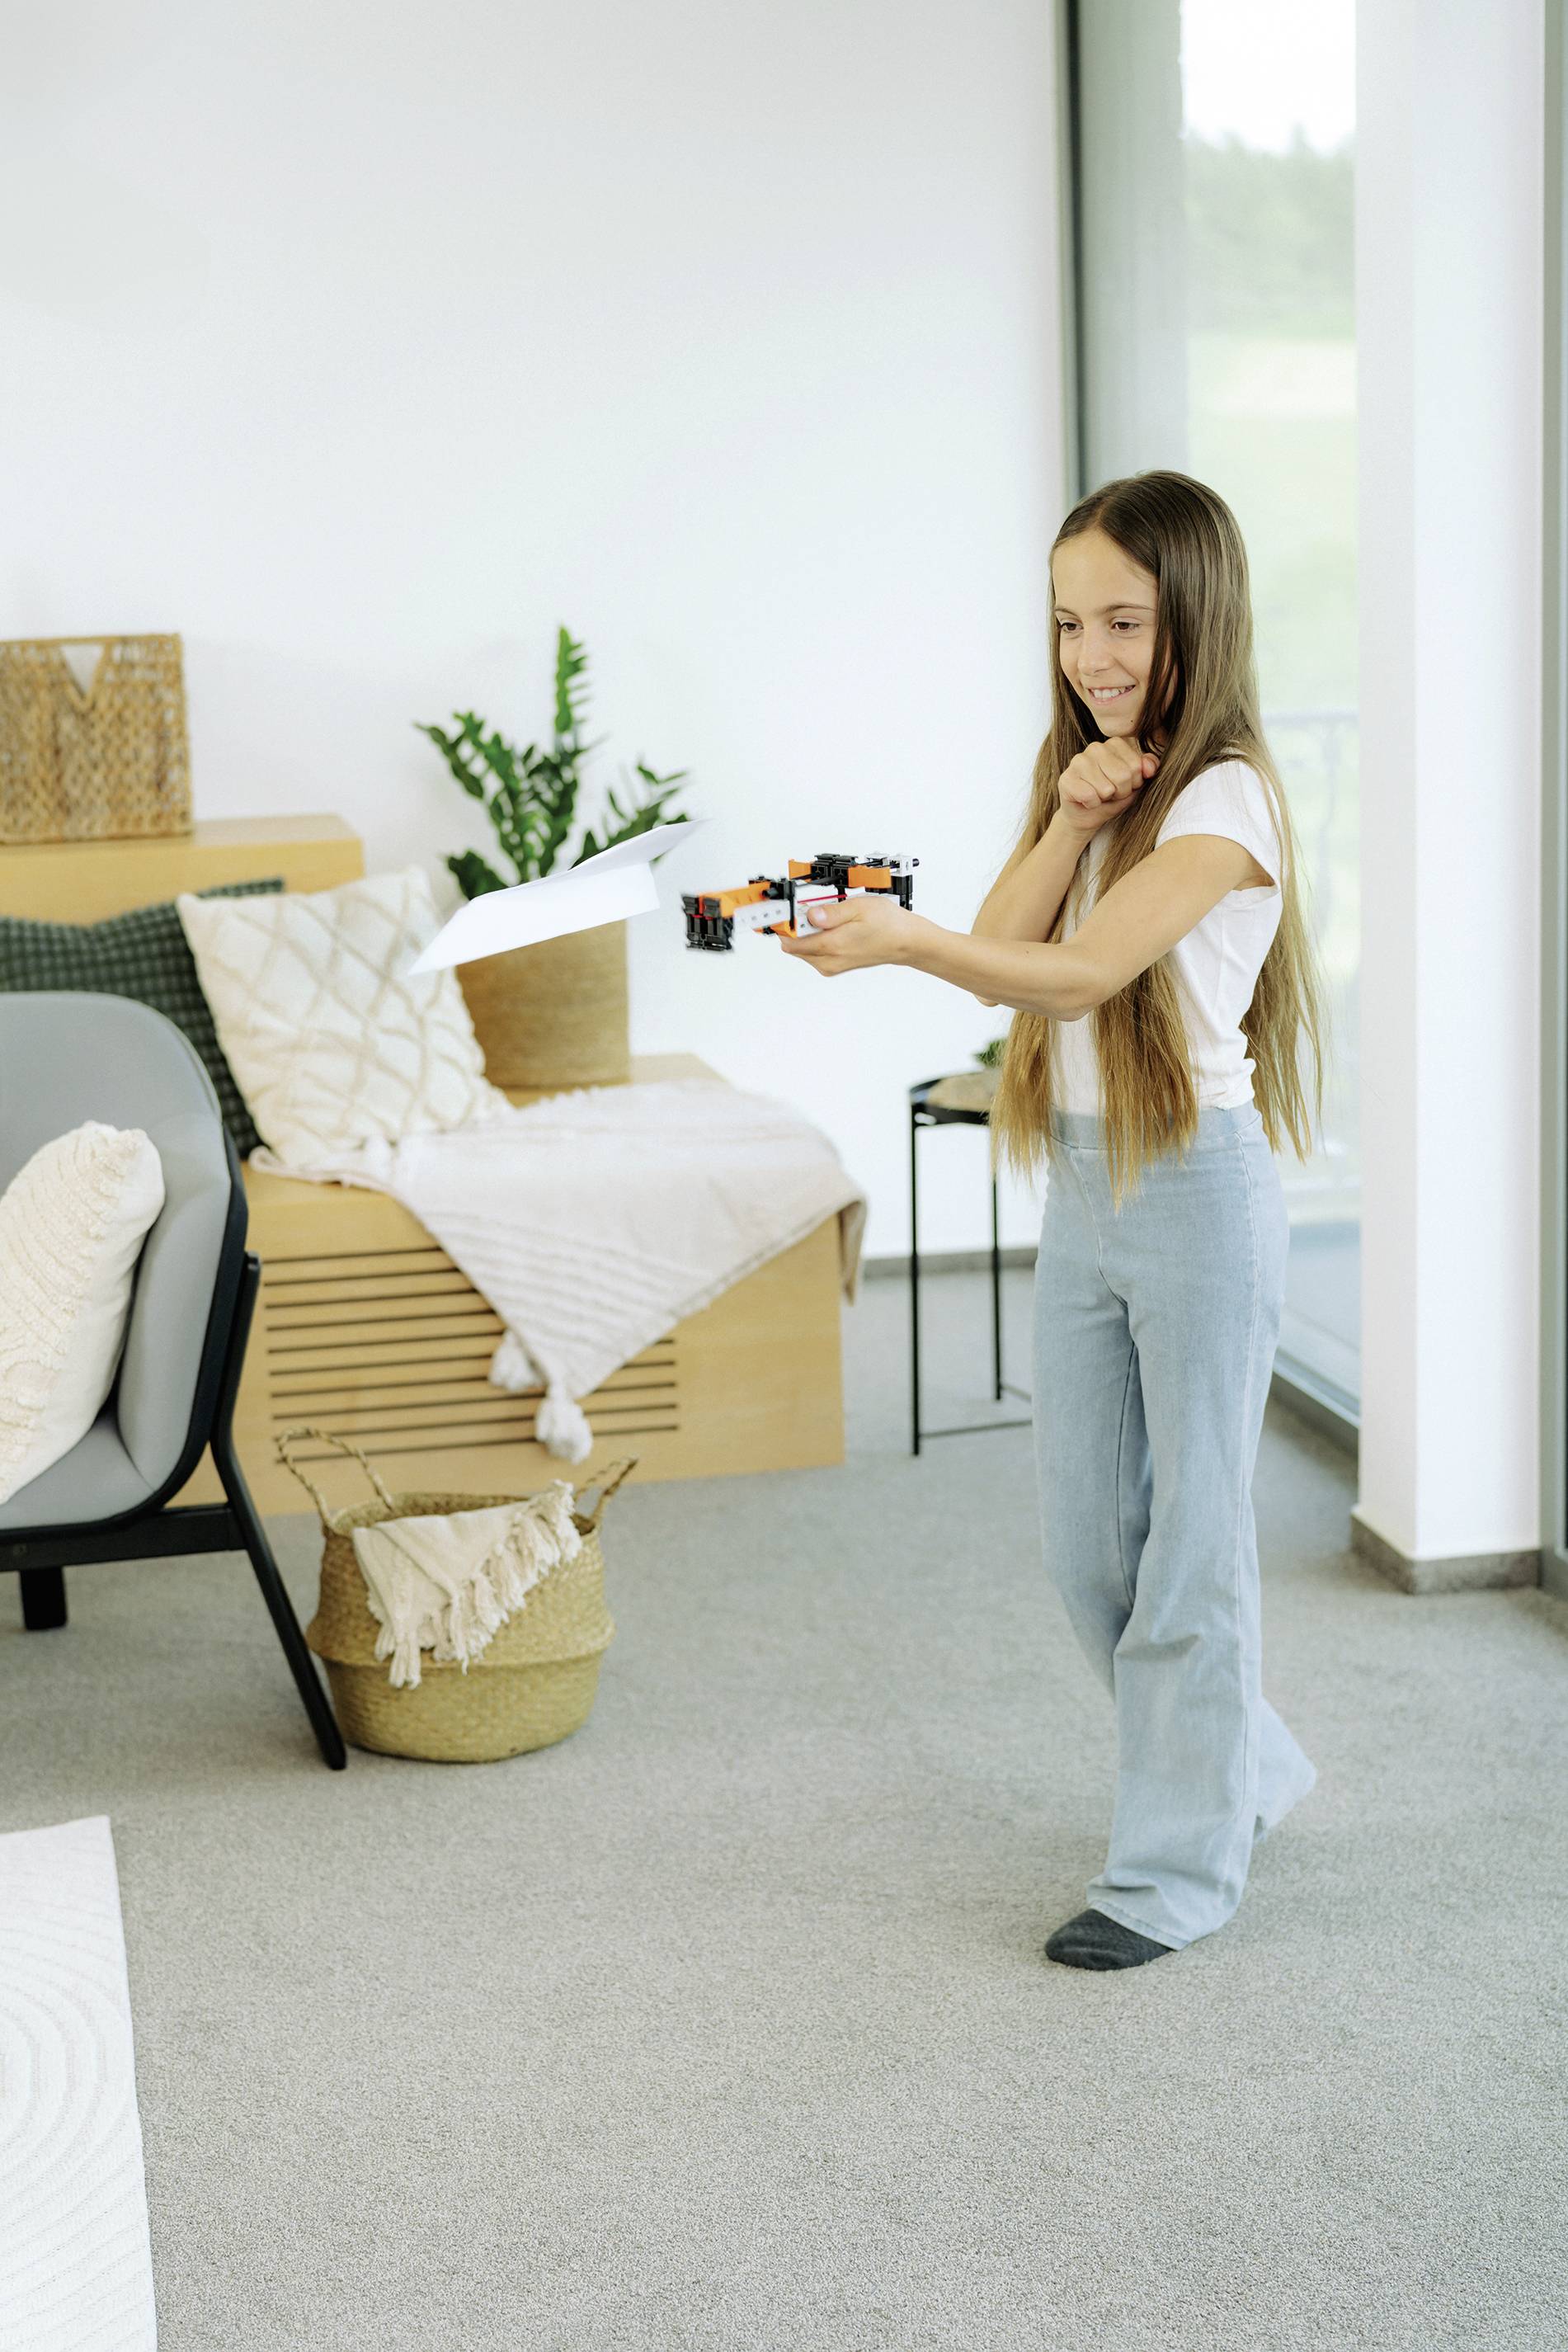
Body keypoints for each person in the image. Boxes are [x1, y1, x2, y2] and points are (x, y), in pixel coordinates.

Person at [779, 469, 1327, 1972]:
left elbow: (1081, 978)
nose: (1091, 653)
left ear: (1193, 618)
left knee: (1193, 1551)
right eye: (1070, 621)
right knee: (1088, 1543)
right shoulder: (1101, 777)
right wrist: (1064, 812)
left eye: (1125, 622)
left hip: (1197, 1189)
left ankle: (1174, 1877)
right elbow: (1003, 945)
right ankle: (1248, 1770)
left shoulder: (1226, 798)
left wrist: (893, 938)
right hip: (1087, 1189)